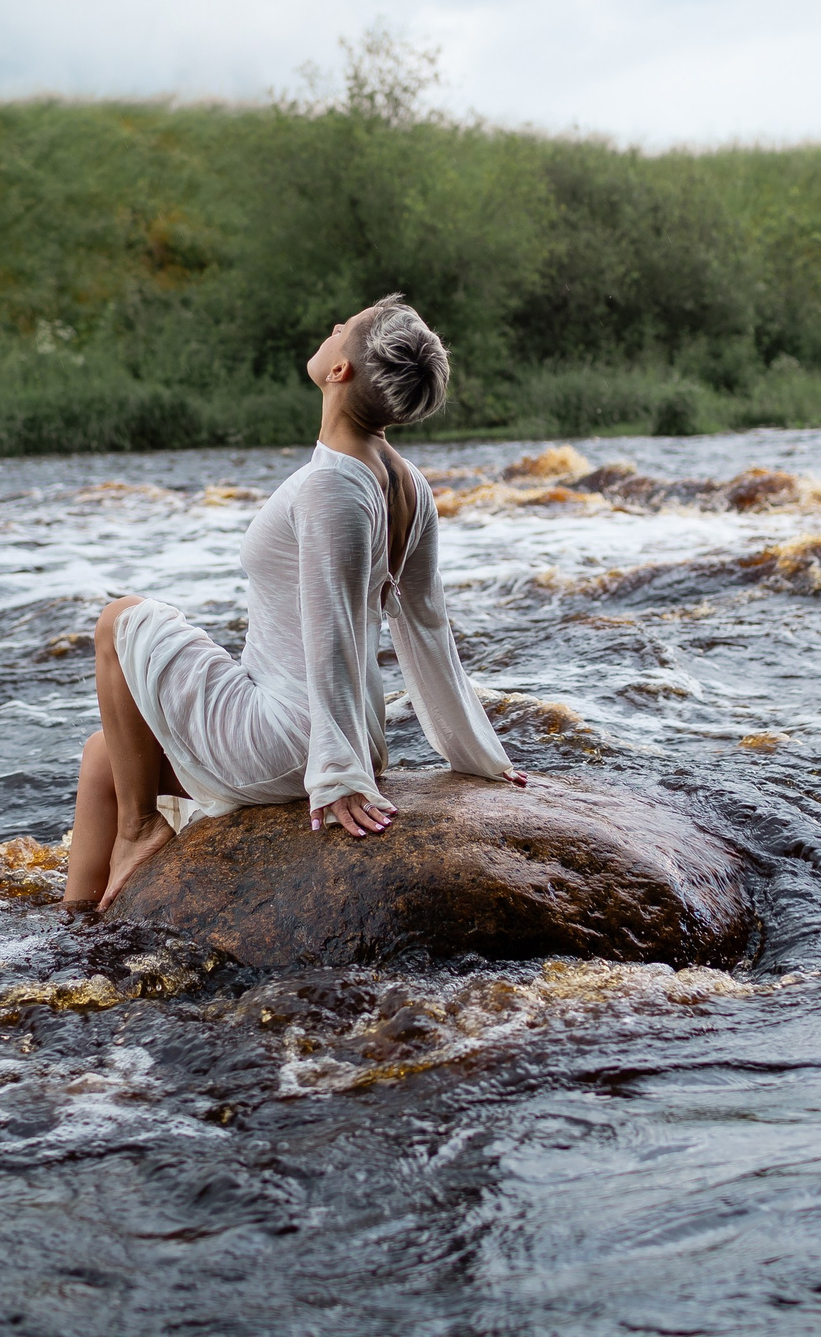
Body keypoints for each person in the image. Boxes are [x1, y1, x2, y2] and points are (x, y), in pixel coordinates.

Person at [62, 294, 526, 910]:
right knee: (105, 758)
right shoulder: (407, 481)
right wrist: (475, 755)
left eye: (344, 329)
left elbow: (331, 631)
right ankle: (81, 923)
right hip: (344, 728)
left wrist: (338, 775)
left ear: (341, 371)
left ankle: (138, 835)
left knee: (118, 621)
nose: (334, 328)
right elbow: (429, 630)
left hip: (292, 738)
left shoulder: (332, 485)